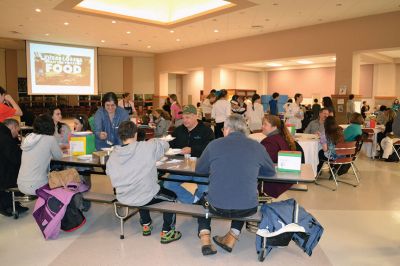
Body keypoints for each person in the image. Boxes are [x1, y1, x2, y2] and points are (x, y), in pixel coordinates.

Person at [195, 114, 275, 256]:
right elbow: (270, 172)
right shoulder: (257, 146)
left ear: (227, 129)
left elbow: (200, 170)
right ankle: (231, 237)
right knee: (243, 198)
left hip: (216, 207)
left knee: (200, 199)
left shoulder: (214, 145)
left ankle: (205, 238)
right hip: (247, 208)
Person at [106, 121, 182, 243]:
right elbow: (166, 146)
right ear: (135, 134)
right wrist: (153, 141)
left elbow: (109, 172)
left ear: (120, 136)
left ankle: (146, 224)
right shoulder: (146, 147)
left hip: (123, 196)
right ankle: (168, 232)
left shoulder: (114, 154)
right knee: (172, 197)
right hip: (144, 195)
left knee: (141, 189)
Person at [163, 105, 214, 203]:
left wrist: (192, 149)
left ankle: (199, 198)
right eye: (183, 118)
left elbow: (210, 148)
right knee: (168, 185)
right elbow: (170, 144)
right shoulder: (178, 130)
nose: (185, 120)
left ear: (196, 116)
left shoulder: (206, 130)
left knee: (205, 189)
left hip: (200, 168)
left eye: (188, 117)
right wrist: (163, 144)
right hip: (181, 168)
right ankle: (193, 201)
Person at [17, 114, 63, 195]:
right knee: (61, 179)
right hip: (37, 184)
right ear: (50, 126)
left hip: (21, 183)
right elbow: (59, 157)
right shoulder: (50, 139)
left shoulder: (28, 137)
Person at [259, 115, 296, 198]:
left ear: (274, 127)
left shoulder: (270, 142)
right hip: (284, 178)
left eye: (265, 124)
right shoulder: (281, 138)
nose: (262, 126)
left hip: (274, 182)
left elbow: (263, 163)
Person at [0, 119, 28, 217]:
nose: (17, 134)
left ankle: (9, 203)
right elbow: (17, 159)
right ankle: (9, 205)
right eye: (17, 131)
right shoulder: (6, 139)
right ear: (12, 127)